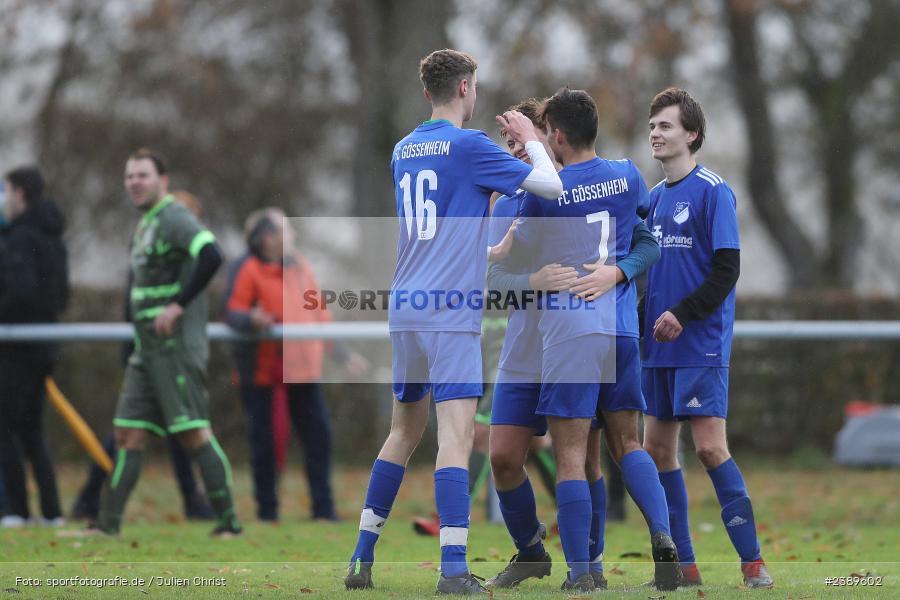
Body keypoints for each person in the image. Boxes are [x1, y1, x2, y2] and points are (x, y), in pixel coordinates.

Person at [344, 48, 562, 595]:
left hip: (405, 307)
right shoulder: (470, 147)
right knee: (457, 439)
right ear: (466, 88)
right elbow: (551, 187)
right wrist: (532, 140)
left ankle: (360, 560)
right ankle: (453, 571)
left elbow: (443, 227)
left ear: (427, 92)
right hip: (449, 311)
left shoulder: (404, 148)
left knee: (402, 432)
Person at [483, 97, 661, 590]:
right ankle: (531, 552)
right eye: (511, 143)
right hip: (525, 349)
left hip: (576, 338)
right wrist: (531, 280)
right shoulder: (505, 200)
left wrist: (615, 272)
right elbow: (492, 279)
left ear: (550, 139)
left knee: (583, 458)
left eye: (526, 139)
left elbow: (644, 240)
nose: (517, 149)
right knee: (502, 456)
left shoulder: (581, 193)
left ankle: (590, 564)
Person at [640, 88, 773, 589]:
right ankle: (684, 565)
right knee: (656, 451)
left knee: (711, 449)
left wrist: (683, 313)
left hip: (701, 344)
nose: (655, 132)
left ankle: (753, 562)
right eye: (652, 125)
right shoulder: (653, 200)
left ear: (691, 134)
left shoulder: (713, 190)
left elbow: (727, 270)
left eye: (666, 125)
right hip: (658, 348)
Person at [92, 148, 241, 536]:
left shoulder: (174, 217)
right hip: (148, 351)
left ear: (163, 180)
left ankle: (229, 524)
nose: (134, 183)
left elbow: (212, 255)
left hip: (175, 349)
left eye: (142, 175)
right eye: (129, 177)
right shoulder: (146, 224)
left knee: (193, 432)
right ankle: (107, 526)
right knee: (128, 432)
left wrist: (176, 305)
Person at [70, 190, 215, 522]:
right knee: (130, 433)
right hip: (153, 352)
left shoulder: (170, 249)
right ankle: (94, 498)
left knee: (161, 431)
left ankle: (189, 500)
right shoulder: (154, 247)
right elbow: (135, 304)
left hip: (166, 351)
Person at [226, 209, 367, 522]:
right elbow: (233, 311)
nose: (293, 236)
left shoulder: (301, 266)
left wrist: (344, 355)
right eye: (286, 230)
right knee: (265, 444)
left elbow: (319, 316)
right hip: (264, 374)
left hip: (304, 372)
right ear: (268, 238)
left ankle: (323, 510)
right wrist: (252, 319)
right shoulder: (248, 269)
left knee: (319, 438)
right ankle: (267, 512)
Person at [0, 166, 68, 527]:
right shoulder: (53, 236)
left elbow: (21, 291)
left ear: (20, 193)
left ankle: (15, 510)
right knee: (30, 429)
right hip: (45, 343)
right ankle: (52, 510)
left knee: (6, 427)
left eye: (7, 191)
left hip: (18, 347)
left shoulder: (21, 238)